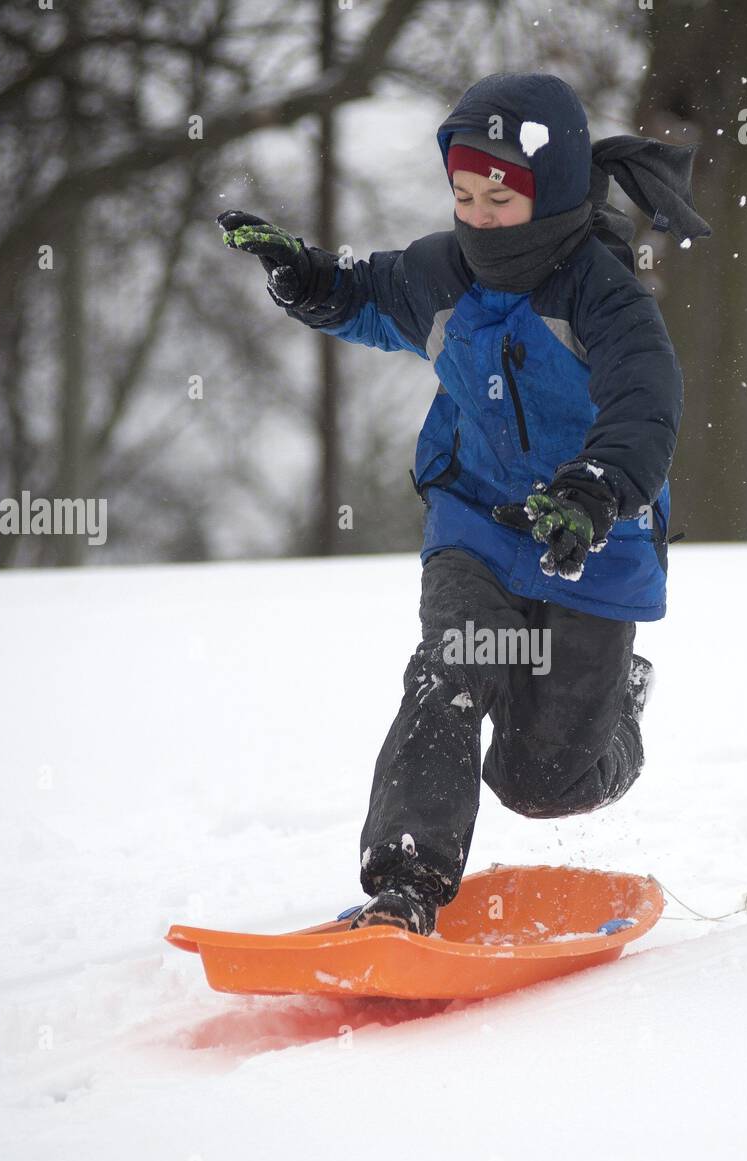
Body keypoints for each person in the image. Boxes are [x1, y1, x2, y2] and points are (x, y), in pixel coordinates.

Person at [218, 71, 710, 936]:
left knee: (540, 782)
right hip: (476, 522)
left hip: (591, 534)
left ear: (550, 192)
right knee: (449, 671)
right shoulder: (442, 272)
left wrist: (596, 491)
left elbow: (647, 401)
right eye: (463, 193)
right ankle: (403, 887)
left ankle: (616, 714)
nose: (477, 213)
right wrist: (306, 279)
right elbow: (367, 296)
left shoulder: (601, 294)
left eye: (499, 196)